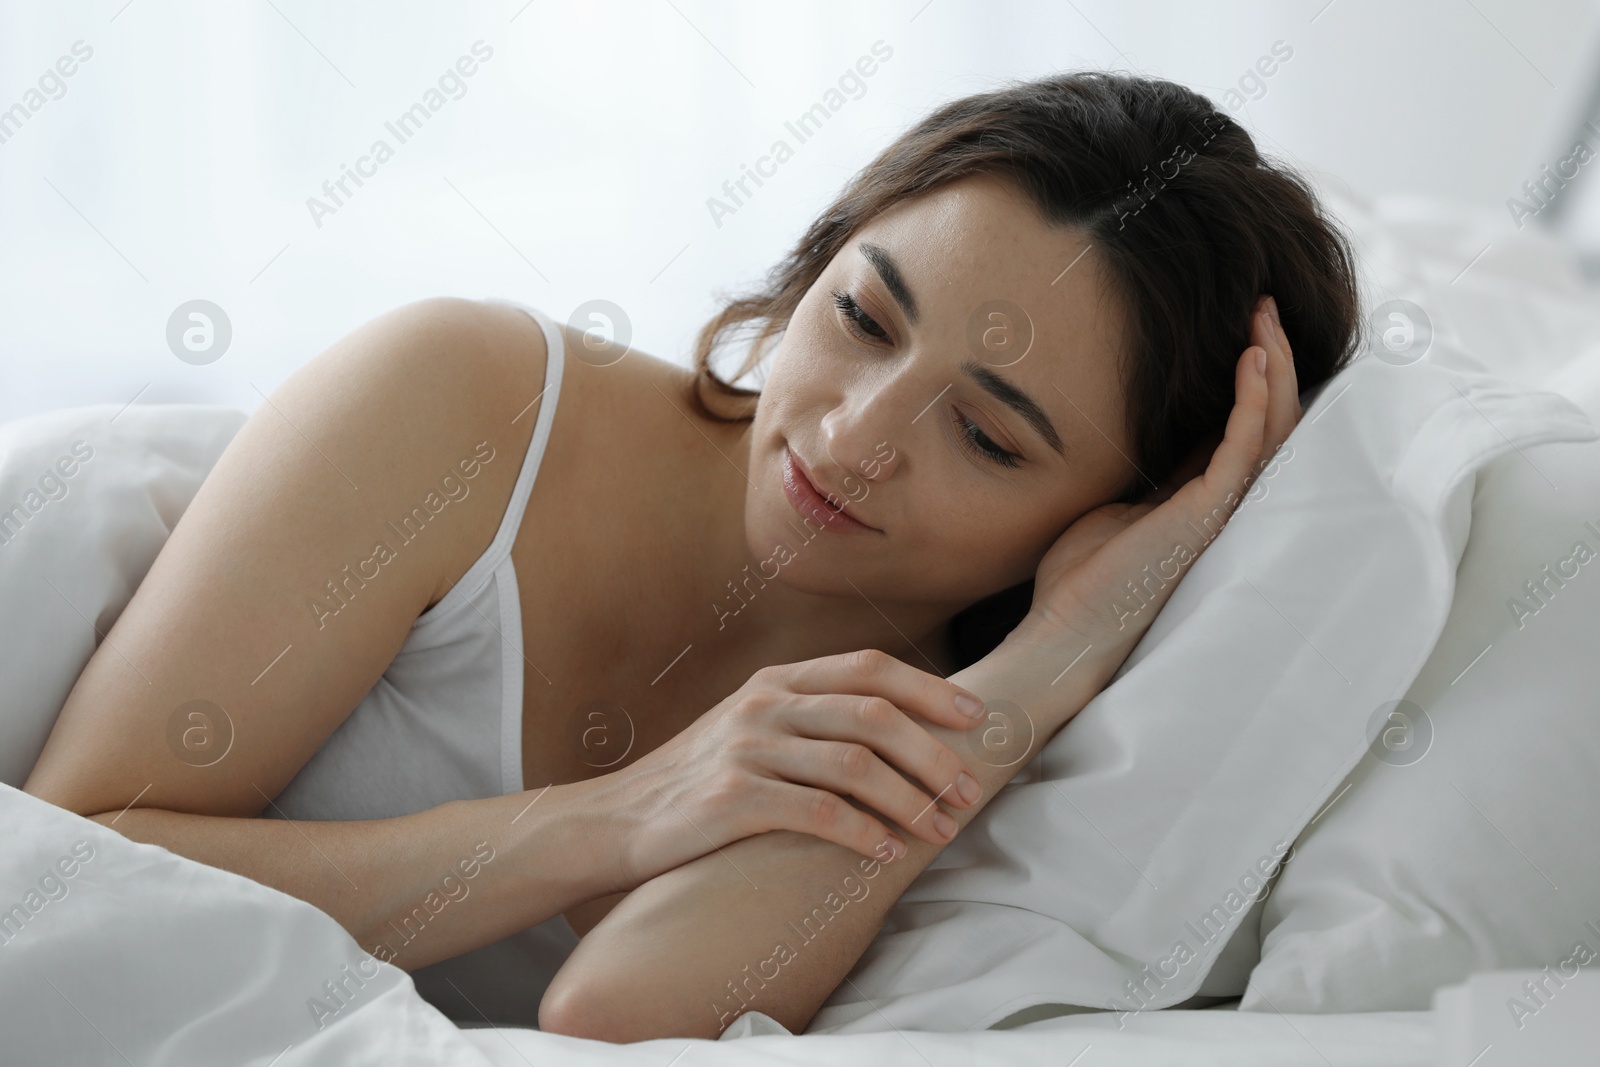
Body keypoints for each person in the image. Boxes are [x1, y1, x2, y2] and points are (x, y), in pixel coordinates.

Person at [24, 69, 1357, 1040]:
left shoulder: (985, 724)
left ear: (1108, 511)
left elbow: (618, 1015)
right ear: (822, 254)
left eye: (990, 440)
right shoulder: (464, 402)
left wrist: (1057, 654)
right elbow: (78, 858)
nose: (852, 434)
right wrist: (623, 815)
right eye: (864, 318)